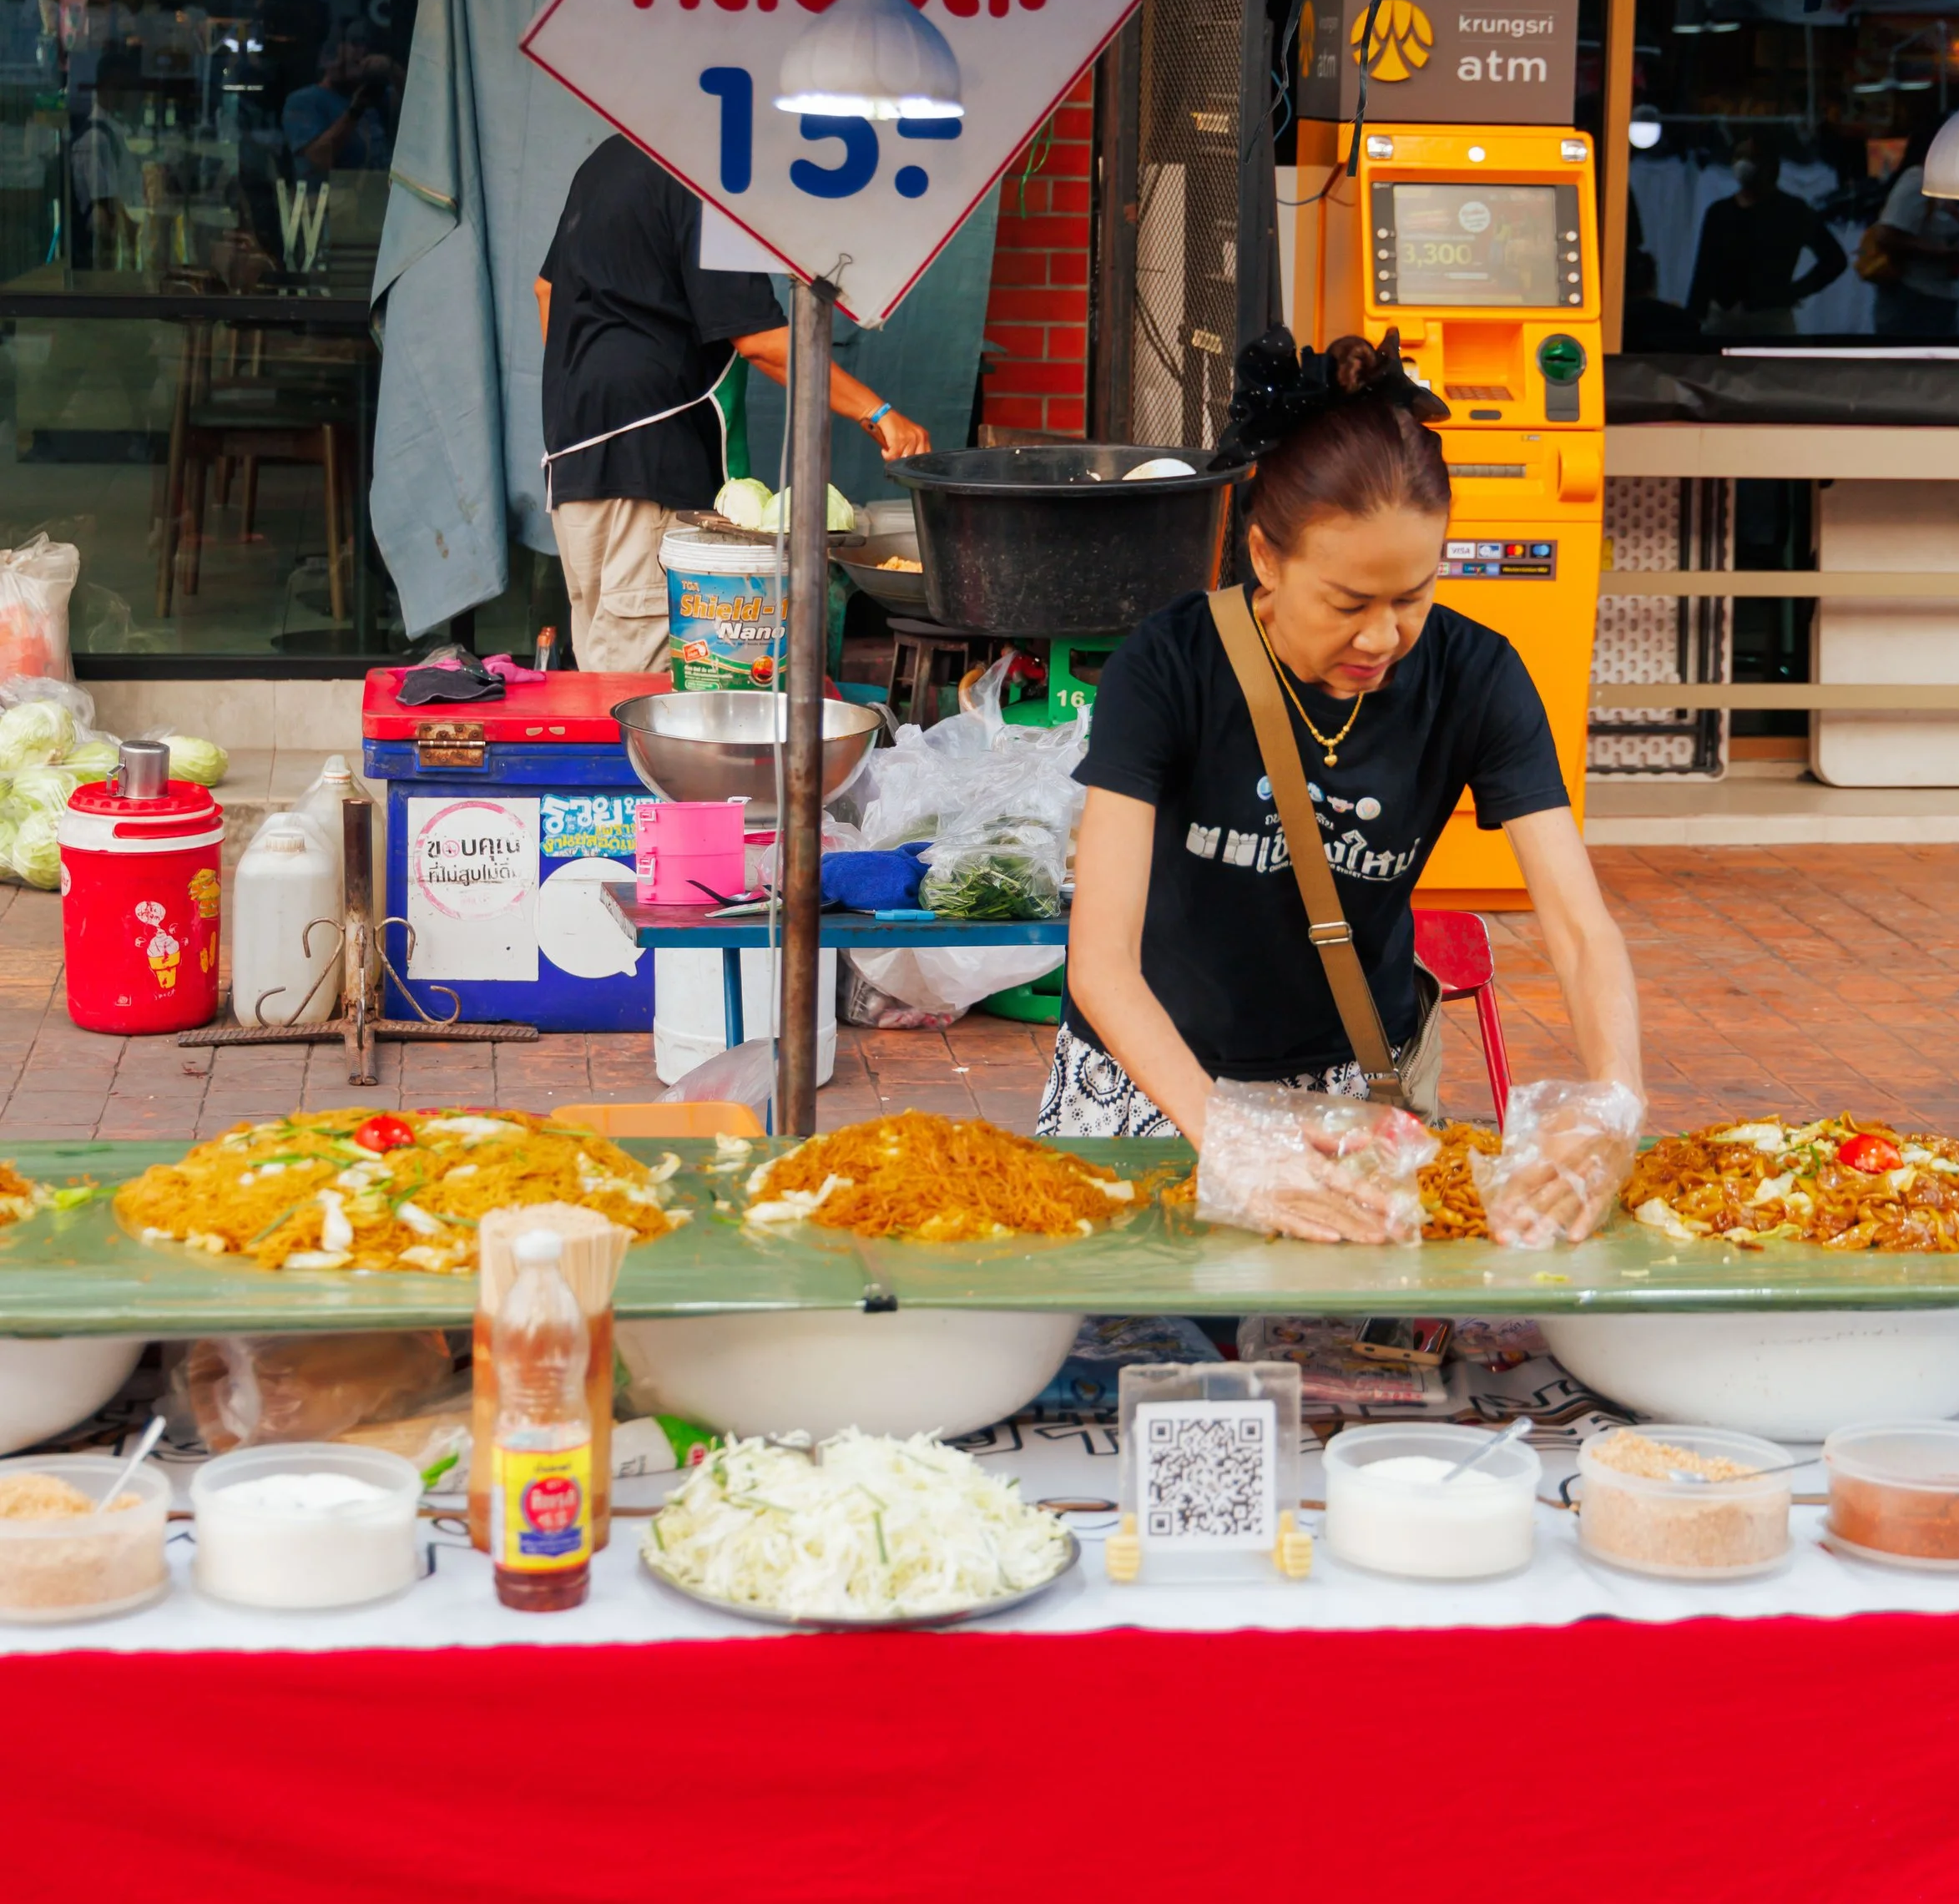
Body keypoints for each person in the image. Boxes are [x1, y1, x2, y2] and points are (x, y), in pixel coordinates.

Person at [1045, 330, 1642, 1190]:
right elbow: (1100, 961)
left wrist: (1615, 1095)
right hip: (1157, 1077)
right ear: (1264, 558)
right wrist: (1231, 1140)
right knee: (1139, 1324)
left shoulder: (1476, 676)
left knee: (1335, 1330)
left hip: (1354, 1082)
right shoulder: (1169, 667)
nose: (1380, 637)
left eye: (1413, 597)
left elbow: (1582, 932)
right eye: (1346, 602)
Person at [539, 132, 930, 674]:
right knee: (638, 684)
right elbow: (760, 340)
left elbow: (546, 291)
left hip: (575, 458)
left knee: (601, 661)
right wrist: (879, 413)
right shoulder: (705, 171)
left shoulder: (609, 156)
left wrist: (590, 392)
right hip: (648, 464)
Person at [1684, 142, 1847, 341]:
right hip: (1723, 317)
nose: (1743, 164)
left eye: (1751, 158)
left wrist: (1794, 292)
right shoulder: (1719, 212)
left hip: (1770, 318)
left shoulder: (1792, 211)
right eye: (1739, 156)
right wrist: (1693, 320)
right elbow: (1704, 268)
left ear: (1769, 166)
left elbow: (1834, 259)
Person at [1864, 114, 1959, 344]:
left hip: (1932, 296)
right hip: (1913, 298)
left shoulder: (1940, 185)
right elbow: (1886, 235)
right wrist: (1938, 252)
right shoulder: (1917, 180)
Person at [282, 27, 401, 186]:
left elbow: (419, 110)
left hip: (378, 197)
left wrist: (392, 70)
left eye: (361, 60)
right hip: (332, 203)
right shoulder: (304, 101)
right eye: (347, 60)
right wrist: (354, 112)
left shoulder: (376, 96)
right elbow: (319, 158)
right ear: (327, 61)